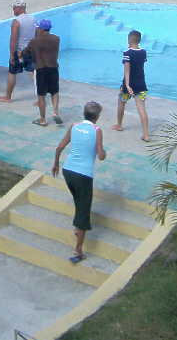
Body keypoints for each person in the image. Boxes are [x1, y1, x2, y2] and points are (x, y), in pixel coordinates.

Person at [52, 101, 107, 263]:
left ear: (84, 113)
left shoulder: (74, 126)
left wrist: (55, 164)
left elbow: (59, 147)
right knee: (84, 211)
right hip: (83, 175)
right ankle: (78, 250)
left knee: (79, 200)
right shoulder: (97, 130)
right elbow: (101, 156)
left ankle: (77, 226)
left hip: (68, 171)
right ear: (97, 117)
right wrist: (104, 152)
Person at [112, 29, 150, 141]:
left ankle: (119, 125)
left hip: (128, 85)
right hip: (141, 84)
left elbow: (127, 71)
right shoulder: (143, 52)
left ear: (129, 39)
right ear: (139, 40)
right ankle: (146, 135)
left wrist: (127, 85)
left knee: (121, 102)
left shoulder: (127, 53)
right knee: (141, 108)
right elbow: (140, 67)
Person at [24, 19, 61, 126]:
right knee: (54, 92)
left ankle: (43, 120)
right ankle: (55, 112)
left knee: (41, 96)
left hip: (41, 69)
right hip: (53, 68)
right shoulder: (56, 39)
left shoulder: (34, 41)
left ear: (40, 29)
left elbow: (26, 52)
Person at [0, 0, 35, 103]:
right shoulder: (33, 18)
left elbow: (13, 40)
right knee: (33, 73)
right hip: (31, 50)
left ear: (19, 8)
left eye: (14, 8)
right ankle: (41, 97)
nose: (13, 10)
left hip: (20, 52)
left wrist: (12, 55)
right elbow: (35, 35)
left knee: (12, 72)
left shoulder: (16, 21)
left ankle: (8, 97)